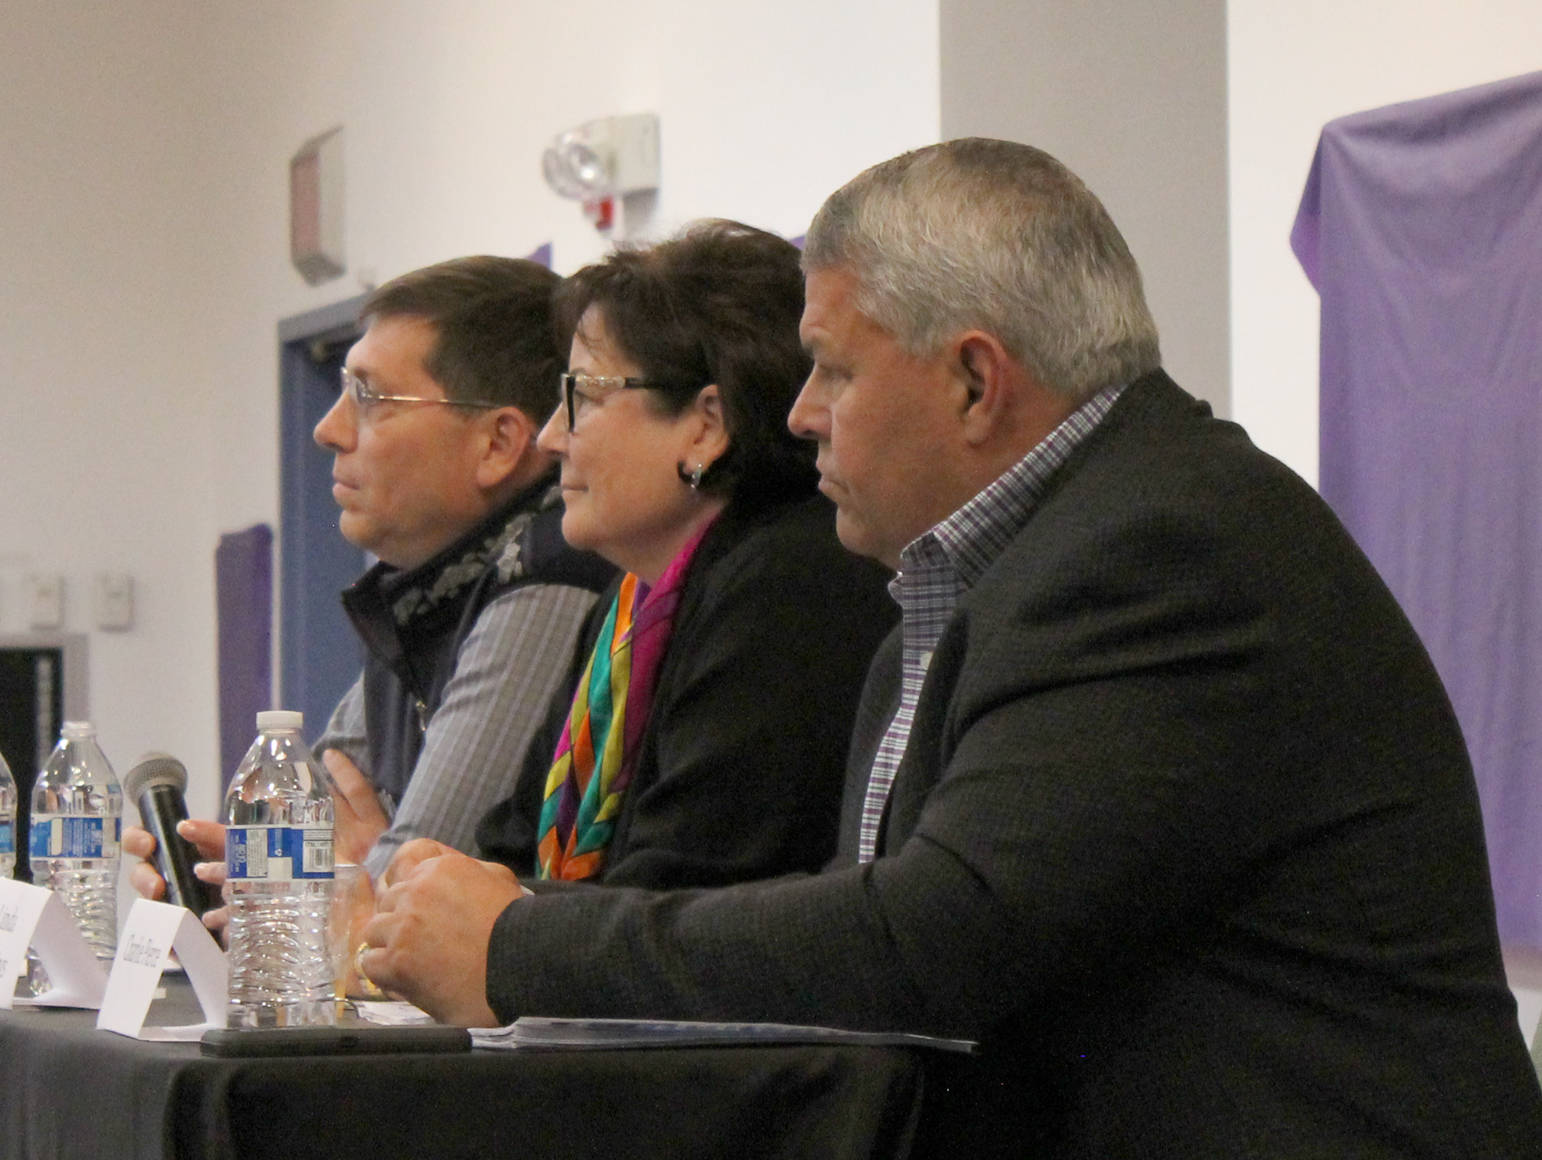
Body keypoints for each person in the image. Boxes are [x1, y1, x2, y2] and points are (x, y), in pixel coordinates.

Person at [380, 141, 1542, 1155]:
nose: (800, 412)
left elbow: (935, 938)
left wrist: (525, 941)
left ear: (976, 379)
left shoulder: (1162, 546)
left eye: (834, 367)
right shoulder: (964, 594)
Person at [127, 256, 615, 907]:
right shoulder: (425, 590)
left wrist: (332, 881)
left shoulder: (549, 575)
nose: (328, 430)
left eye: (370, 397)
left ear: (498, 444)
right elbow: (307, 841)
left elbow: (409, 901)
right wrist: (212, 886)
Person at [469, 218, 898, 889]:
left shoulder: (789, 585)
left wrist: (484, 923)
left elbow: (680, 890)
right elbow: (511, 845)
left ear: (706, 425)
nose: (552, 437)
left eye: (583, 396)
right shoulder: (632, 599)